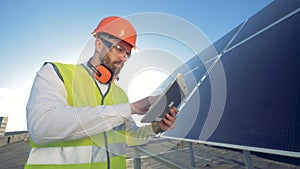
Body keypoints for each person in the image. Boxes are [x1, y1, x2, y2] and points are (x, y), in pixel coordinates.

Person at [25, 16, 178, 169]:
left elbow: (129, 137)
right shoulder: (57, 73)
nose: (124, 58)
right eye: (119, 49)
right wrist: (130, 108)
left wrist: (158, 127)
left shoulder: (119, 94)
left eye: (128, 53)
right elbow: (41, 128)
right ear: (99, 44)